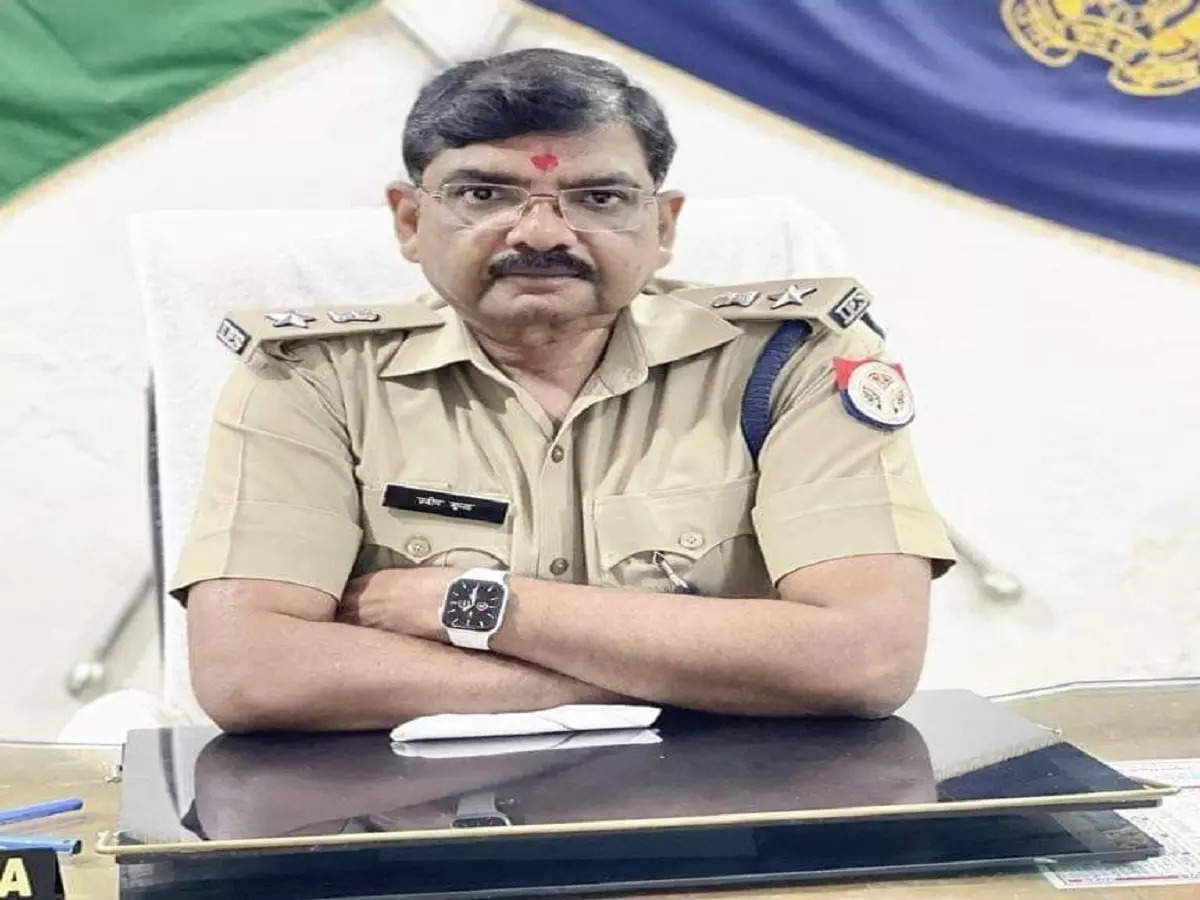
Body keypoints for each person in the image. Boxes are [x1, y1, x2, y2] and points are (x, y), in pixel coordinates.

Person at [175, 48, 955, 733]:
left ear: (663, 226)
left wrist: (465, 605)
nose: (542, 233)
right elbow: (251, 672)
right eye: (484, 195)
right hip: (411, 814)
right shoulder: (311, 377)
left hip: (733, 810)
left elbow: (865, 658)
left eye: (599, 199)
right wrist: (679, 679)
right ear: (409, 221)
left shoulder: (792, 361)